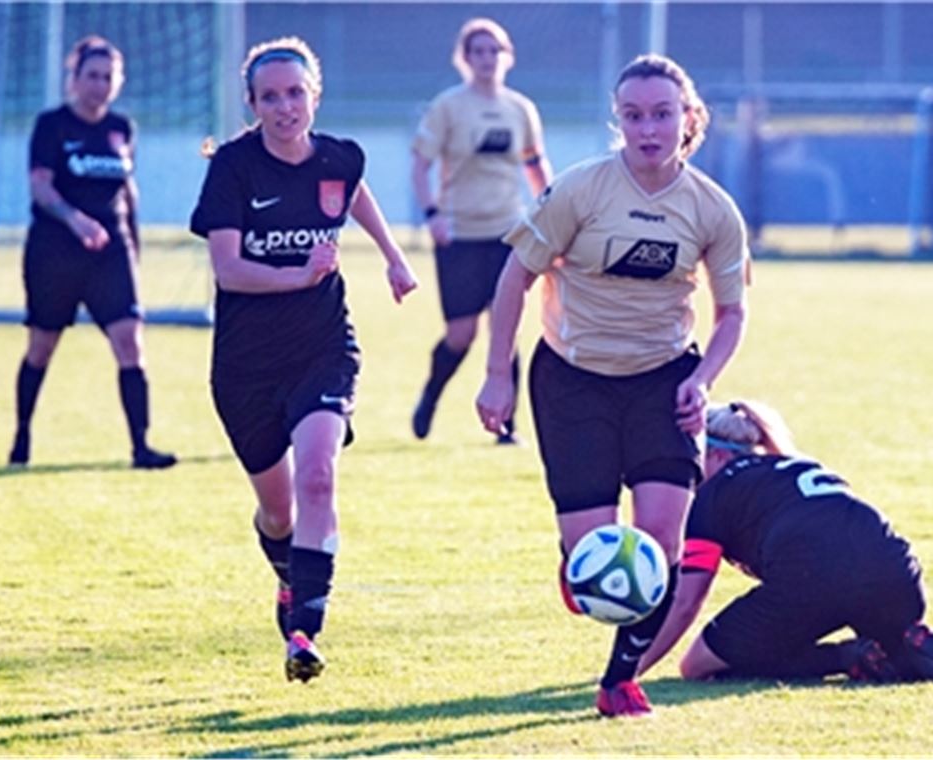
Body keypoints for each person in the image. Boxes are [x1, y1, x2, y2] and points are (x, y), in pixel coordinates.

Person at [475, 53, 750, 717]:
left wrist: (704, 380)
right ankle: (576, 559)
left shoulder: (713, 210)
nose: (648, 128)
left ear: (688, 119)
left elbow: (732, 312)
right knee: (593, 557)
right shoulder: (581, 188)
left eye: (662, 114)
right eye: (633, 115)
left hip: (664, 383)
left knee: (658, 549)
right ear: (618, 120)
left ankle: (619, 680)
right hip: (573, 383)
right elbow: (515, 276)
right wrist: (495, 377)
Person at [189, 37, 418, 684]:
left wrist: (394, 257)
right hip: (244, 367)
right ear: (254, 105)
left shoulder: (341, 156)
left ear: (315, 95)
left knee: (318, 475)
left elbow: (353, 190)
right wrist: (299, 274)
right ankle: (290, 575)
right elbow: (230, 272)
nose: (285, 107)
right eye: (271, 97)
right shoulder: (233, 167)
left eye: (296, 93)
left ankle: (305, 632)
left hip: (323, 346)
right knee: (280, 513)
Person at [636, 400, 933, 685]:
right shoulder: (797, 467)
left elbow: (687, 600)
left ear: (719, 457)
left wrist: (630, 669)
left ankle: (844, 657)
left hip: (813, 577)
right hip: (896, 569)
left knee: (697, 666)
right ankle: (903, 642)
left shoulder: (712, 495)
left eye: (696, 454)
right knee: (889, 653)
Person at [7, 35, 176, 470]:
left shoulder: (122, 128)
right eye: (92, 76)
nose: (100, 85)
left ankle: (141, 447)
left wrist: (133, 245)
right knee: (42, 346)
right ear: (74, 79)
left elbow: (128, 191)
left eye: (108, 77)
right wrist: (74, 218)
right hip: (55, 252)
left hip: (110, 252)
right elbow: (40, 185)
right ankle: (22, 435)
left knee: (129, 341)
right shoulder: (52, 126)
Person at [410, 17, 552, 445]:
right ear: (465, 58)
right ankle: (431, 395)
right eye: (479, 52)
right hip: (460, 235)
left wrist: (553, 210)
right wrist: (432, 212)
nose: (487, 59)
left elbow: (535, 165)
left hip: (508, 233)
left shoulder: (521, 109)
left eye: (495, 51)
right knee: (462, 333)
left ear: (507, 56)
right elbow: (420, 165)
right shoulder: (449, 106)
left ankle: (507, 427)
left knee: (504, 328)